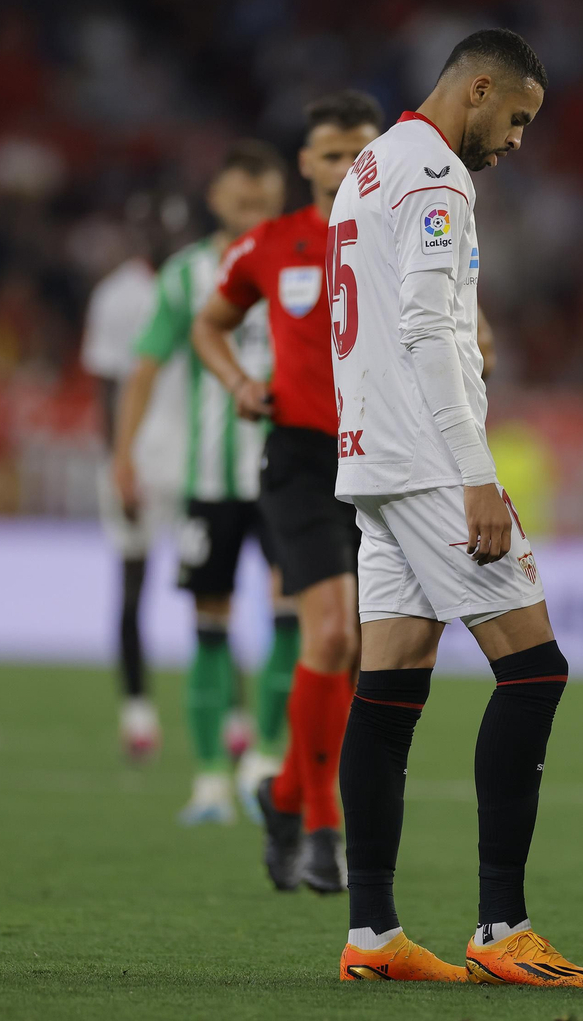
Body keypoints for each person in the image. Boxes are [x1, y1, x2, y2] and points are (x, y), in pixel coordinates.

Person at [323, 28, 583, 987]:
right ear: (477, 88)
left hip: (369, 455)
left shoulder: (367, 166)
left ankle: (372, 934)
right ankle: (502, 926)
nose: (518, 139)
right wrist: (477, 472)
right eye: (517, 117)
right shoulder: (439, 176)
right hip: (431, 458)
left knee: (390, 685)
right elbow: (428, 332)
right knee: (535, 670)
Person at [192, 90, 383, 894]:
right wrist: (238, 379)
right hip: (302, 459)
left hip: (384, 460)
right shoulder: (271, 245)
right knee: (331, 635)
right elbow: (210, 322)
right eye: (330, 154)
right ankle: (320, 827)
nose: (343, 168)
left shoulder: (403, 238)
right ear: (305, 163)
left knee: (364, 655)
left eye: (356, 154)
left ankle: (281, 795)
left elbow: (467, 323)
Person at [112, 142, 295, 825]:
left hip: (287, 476)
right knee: (208, 626)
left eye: (264, 204)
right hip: (209, 481)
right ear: (216, 200)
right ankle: (212, 778)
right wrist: (123, 455)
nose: (251, 214)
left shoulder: (304, 262)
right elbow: (145, 367)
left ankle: (265, 757)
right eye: (240, 202)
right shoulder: (187, 276)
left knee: (291, 614)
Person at [81, 198, 174, 760]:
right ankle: (137, 712)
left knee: (215, 591)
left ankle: (235, 717)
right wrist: (117, 462)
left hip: (195, 461)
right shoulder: (117, 296)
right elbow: (103, 390)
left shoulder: (204, 283)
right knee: (133, 585)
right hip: (138, 461)